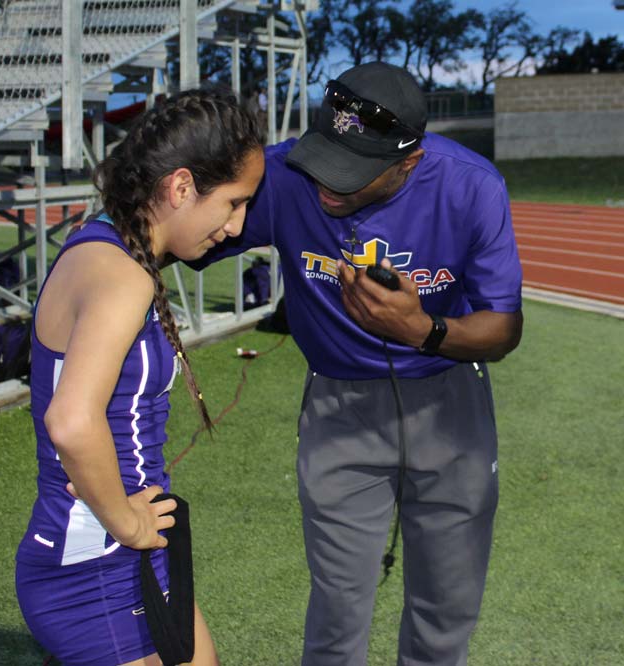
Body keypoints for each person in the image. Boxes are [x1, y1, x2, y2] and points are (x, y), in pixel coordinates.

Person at [190, 61, 523, 665]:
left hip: (448, 400)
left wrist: (420, 330)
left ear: (408, 163)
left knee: (446, 607)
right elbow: (178, 232)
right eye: (326, 159)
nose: (328, 185)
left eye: (353, 174)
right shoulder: (287, 174)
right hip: (339, 404)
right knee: (338, 610)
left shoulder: (471, 185)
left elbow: (503, 328)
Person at [15, 89, 266, 666]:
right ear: (180, 187)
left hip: (131, 550)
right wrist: (128, 523)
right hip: (93, 568)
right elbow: (71, 421)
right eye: (232, 203)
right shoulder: (119, 272)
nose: (236, 226)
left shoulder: (112, 248)